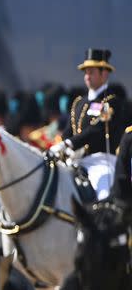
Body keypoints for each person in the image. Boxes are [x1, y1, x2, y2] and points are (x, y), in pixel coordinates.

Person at [51, 49, 129, 199]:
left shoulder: (112, 102)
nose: (87, 76)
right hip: (76, 160)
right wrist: (62, 145)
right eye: (85, 72)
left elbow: (97, 129)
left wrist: (69, 144)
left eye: (91, 72)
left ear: (104, 74)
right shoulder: (79, 102)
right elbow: (69, 130)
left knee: (104, 194)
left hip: (100, 161)